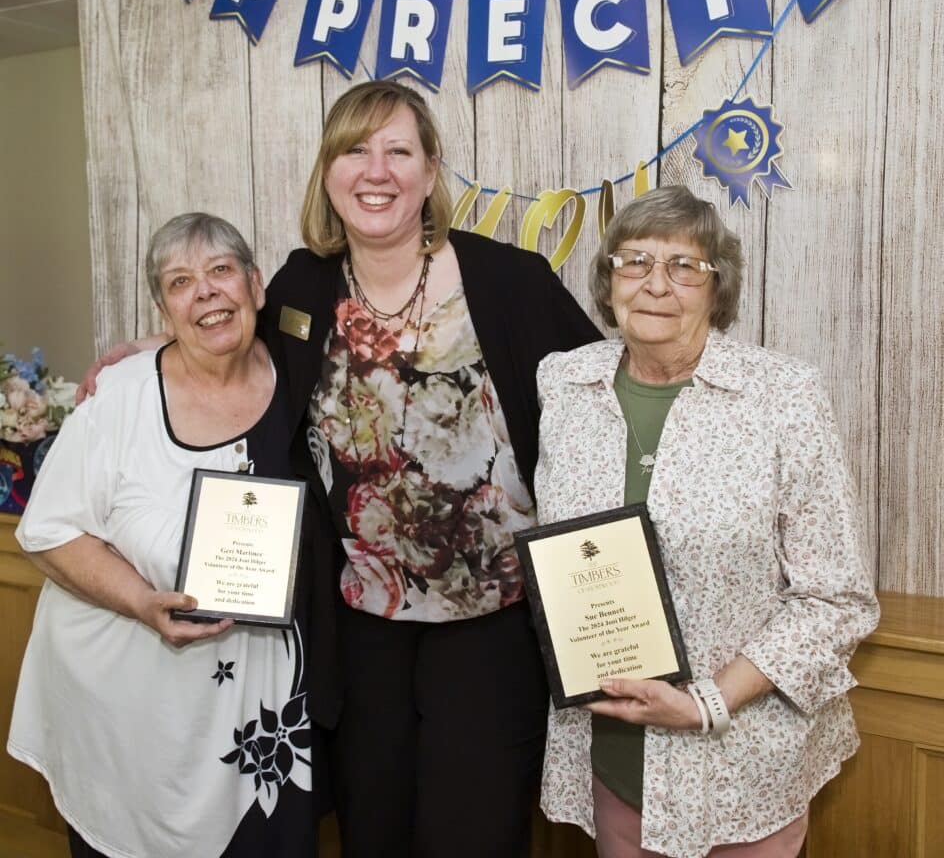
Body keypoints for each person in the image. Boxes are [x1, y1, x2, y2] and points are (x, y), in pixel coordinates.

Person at [76, 80, 602, 857]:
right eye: (355, 149)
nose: (376, 169)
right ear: (328, 173)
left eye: (398, 150)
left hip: (492, 631)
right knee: (372, 833)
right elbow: (231, 347)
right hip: (358, 632)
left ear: (430, 172)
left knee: (476, 838)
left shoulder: (510, 282)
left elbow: (600, 396)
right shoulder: (301, 287)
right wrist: (146, 356)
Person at [534, 185, 879, 858]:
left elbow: (836, 600)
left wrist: (705, 702)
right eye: (634, 262)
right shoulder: (565, 386)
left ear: (716, 287)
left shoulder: (782, 396)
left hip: (740, 766)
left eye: (684, 266)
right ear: (608, 282)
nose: (657, 284)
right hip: (610, 755)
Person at [8, 214, 331, 858]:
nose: (206, 292)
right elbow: (46, 531)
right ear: (162, 308)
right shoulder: (122, 396)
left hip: (262, 717)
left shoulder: (301, 376)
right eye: (180, 282)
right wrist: (139, 600)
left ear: (256, 286)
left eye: (220, 271)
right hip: (130, 715)